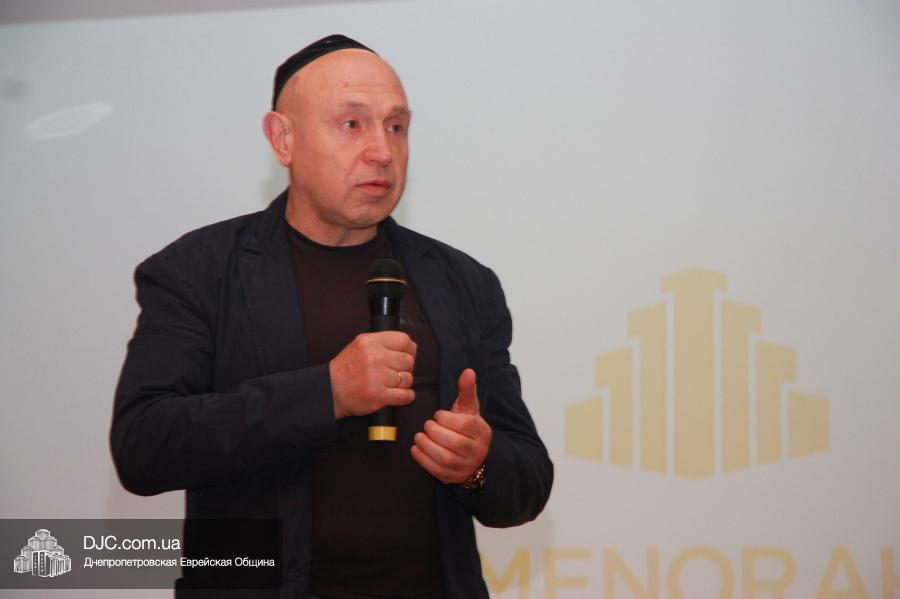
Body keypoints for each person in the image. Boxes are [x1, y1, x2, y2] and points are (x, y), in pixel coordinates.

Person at [111, 34, 553, 599]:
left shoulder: (463, 283)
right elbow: (144, 446)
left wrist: (479, 464)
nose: (382, 151)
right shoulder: (199, 272)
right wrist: (329, 392)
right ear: (283, 139)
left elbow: (529, 482)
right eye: (352, 124)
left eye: (396, 127)